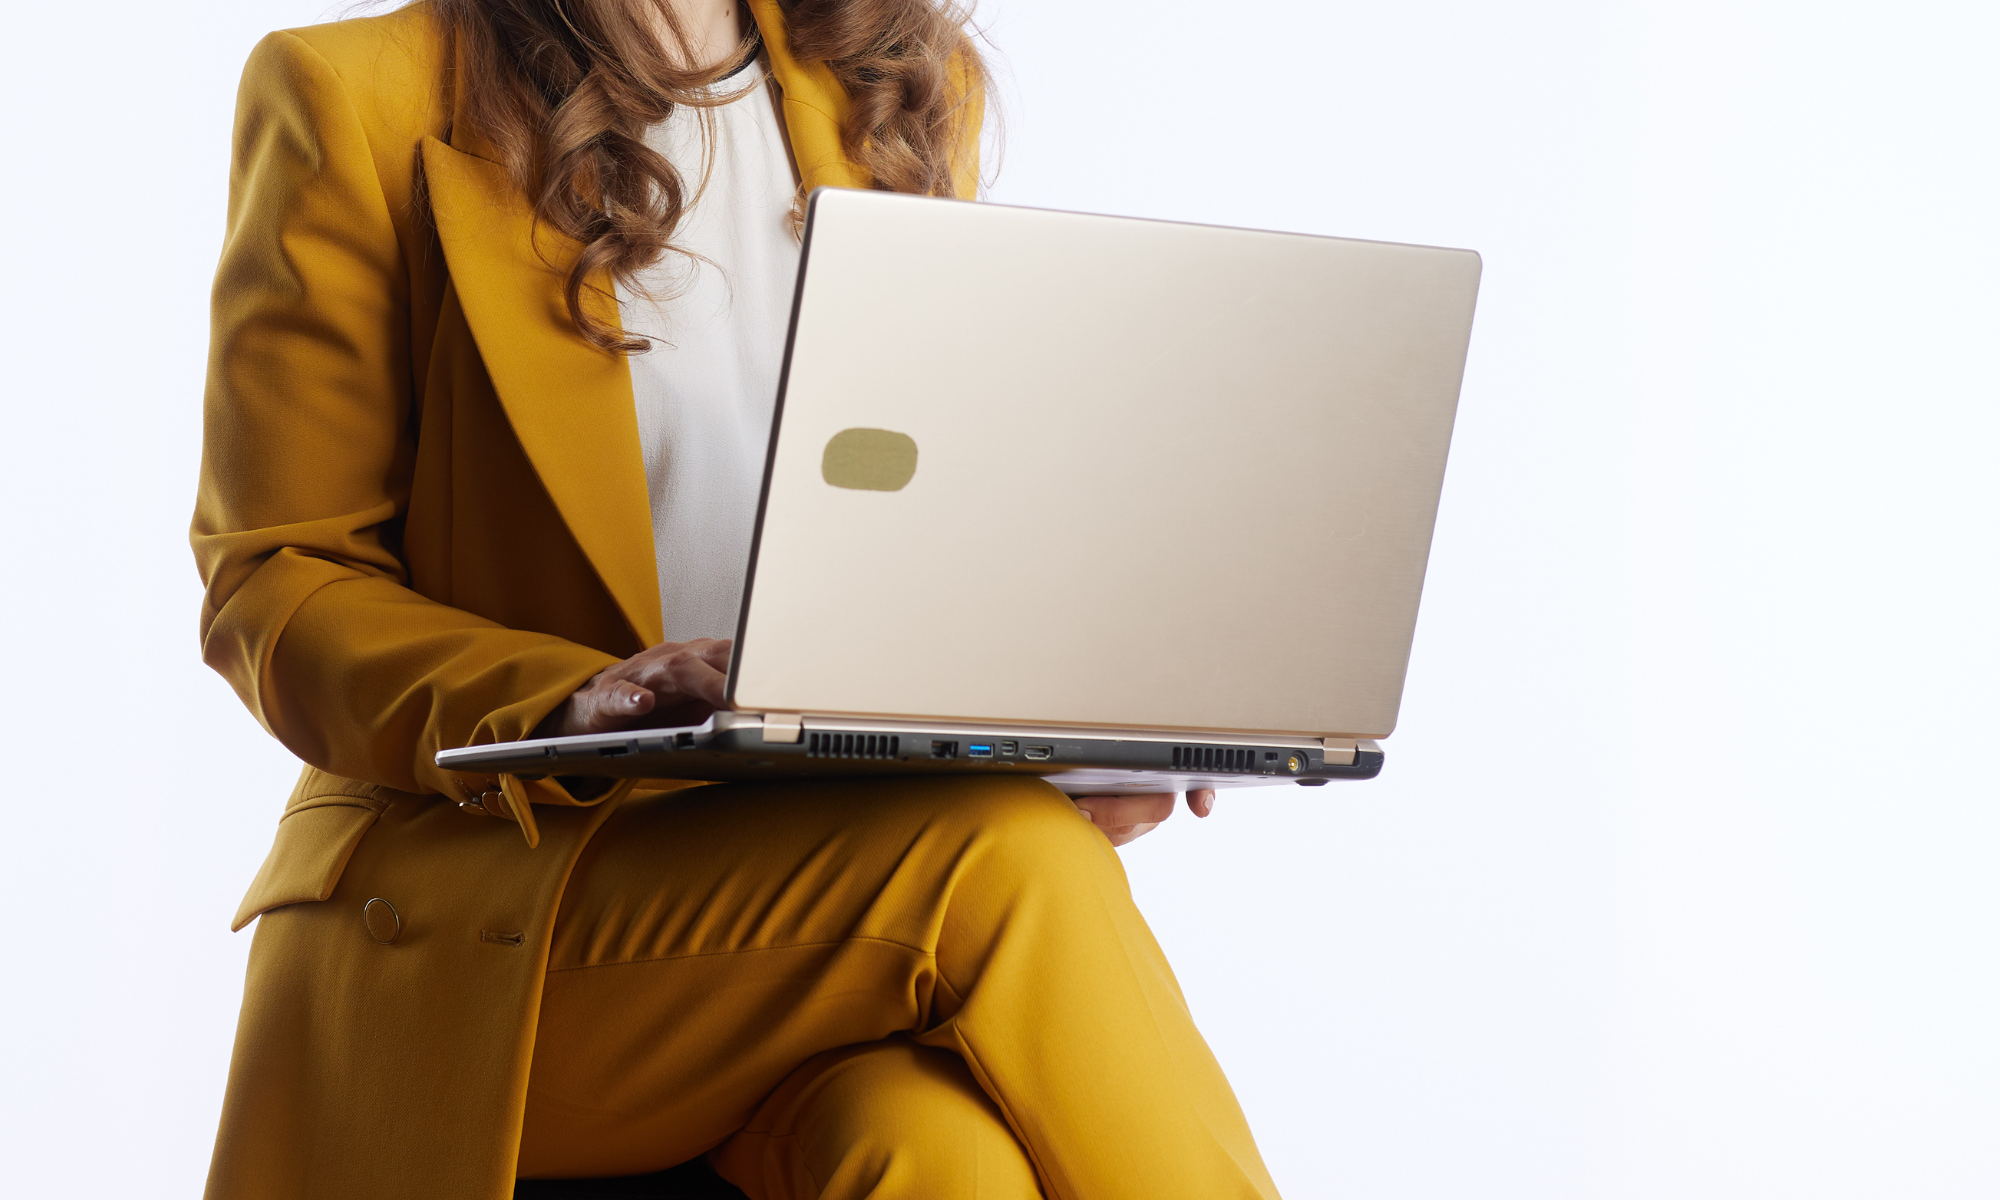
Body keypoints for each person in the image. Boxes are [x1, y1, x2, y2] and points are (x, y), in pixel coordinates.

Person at [192, 1, 1279, 1197]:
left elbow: (911, 527)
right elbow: (277, 581)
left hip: (820, 889)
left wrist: (1068, 729)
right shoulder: (355, 93)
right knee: (1008, 863)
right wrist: (574, 701)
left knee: (938, 1155)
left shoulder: (900, 85)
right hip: (491, 899)